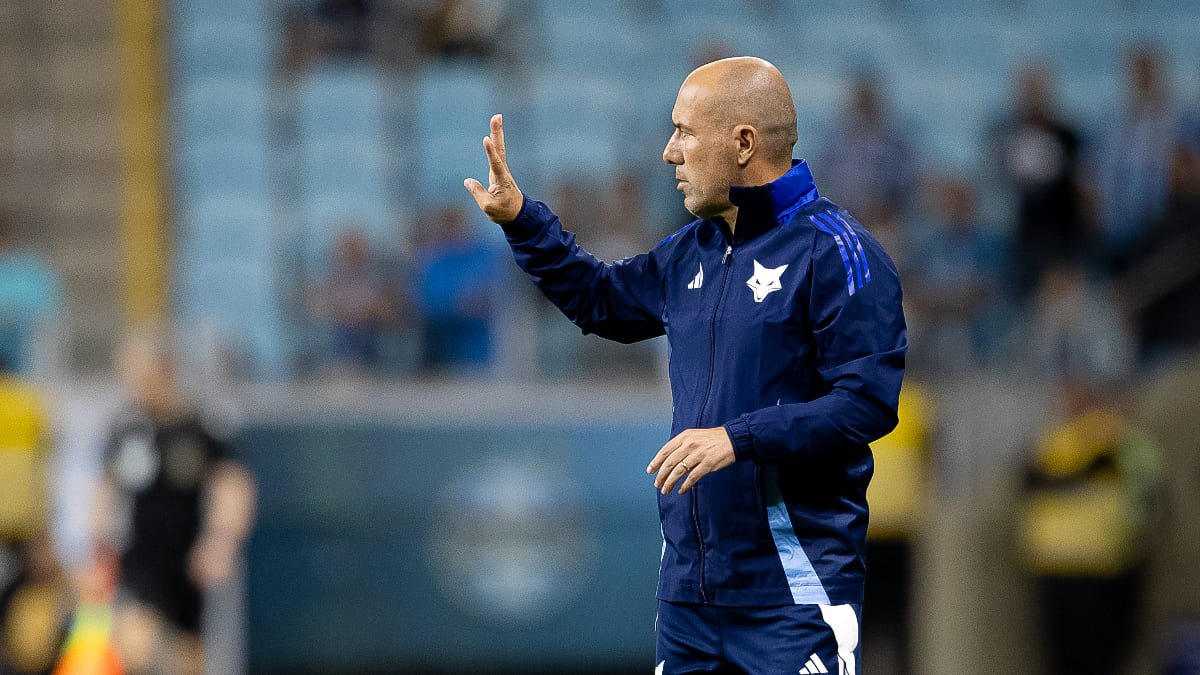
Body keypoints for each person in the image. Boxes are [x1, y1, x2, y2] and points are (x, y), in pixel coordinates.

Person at [464, 56, 907, 674]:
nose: (669, 153)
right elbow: (604, 302)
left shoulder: (839, 253)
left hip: (794, 594)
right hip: (689, 597)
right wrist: (523, 222)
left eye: (685, 132)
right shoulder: (690, 250)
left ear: (743, 143)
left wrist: (738, 438)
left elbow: (866, 403)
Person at [89, 328, 256, 675]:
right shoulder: (127, 427)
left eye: (139, 375)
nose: (132, 385)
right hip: (140, 560)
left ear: (163, 371)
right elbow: (106, 488)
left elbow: (232, 486)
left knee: (188, 657)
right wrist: (98, 546)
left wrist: (221, 541)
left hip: (187, 562)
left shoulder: (200, 426)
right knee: (134, 639)